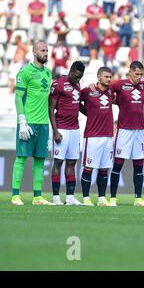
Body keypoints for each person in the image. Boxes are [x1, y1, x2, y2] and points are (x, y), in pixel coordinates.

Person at [11, 41, 53, 206]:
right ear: (34, 52)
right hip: (28, 123)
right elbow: (18, 97)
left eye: (47, 50)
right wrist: (22, 120)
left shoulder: (49, 73)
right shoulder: (25, 72)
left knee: (40, 160)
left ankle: (37, 197)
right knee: (21, 158)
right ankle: (15, 195)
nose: (46, 53)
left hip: (43, 124)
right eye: (43, 50)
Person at [108, 61, 144, 207]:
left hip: (140, 130)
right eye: (137, 74)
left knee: (139, 165)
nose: (139, 77)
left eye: (141, 74)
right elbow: (105, 89)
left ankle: (138, 199)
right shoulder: (120, 84)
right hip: (124, 130)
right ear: (130, 72)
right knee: (118, 164)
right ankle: (113, 198)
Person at [48, 61, 85, 206]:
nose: (78, 79)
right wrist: (55, 131)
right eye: (76, 76)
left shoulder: (78, 85)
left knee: (72, 162)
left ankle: (70, 197)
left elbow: (79, 105)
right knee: (58, 162)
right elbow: (51, 108)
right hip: (61, 128)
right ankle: (56, 197)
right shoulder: (58, 84)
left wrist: (93, 114)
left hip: (75, 129)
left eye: (80, 77)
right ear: (71, 70)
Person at [79, 67, 115, 207]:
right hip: (92, 136)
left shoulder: (112, 91)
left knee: (104, 168)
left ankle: (101, 198)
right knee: (88, 167)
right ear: (99, 77)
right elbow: (76, 101)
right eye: (106, 77)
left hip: (107, 136)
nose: (109, 79)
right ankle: (86, 198)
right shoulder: (88, 91)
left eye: (110, 77)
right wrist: (87, 112)